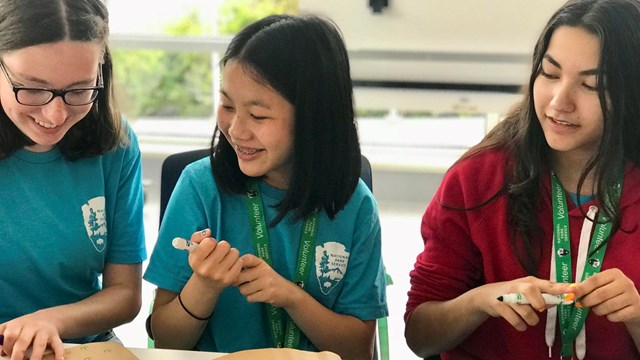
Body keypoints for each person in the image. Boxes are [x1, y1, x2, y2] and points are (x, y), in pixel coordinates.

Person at [143, 14, 388, 360]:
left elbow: (357, 351)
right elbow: (167, 342)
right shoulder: (200, 187)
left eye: (258, 116)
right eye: (227, 105)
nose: (236, 129)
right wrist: (205, 286)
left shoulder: (355, 206)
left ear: (313, 120)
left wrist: (290, 296)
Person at [404, 0, 640, 359]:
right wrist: (480, 301)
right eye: (550, 73)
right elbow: (419, 336)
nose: (559, 102)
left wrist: (637, 317)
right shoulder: (478, 178)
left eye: (591, 85)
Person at [0, 1, 147, 360]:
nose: (56, 114)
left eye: (79, 90)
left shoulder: (116, 146)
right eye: (32, 89)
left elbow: (125, 295)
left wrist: (50, 322)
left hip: (80, 346)